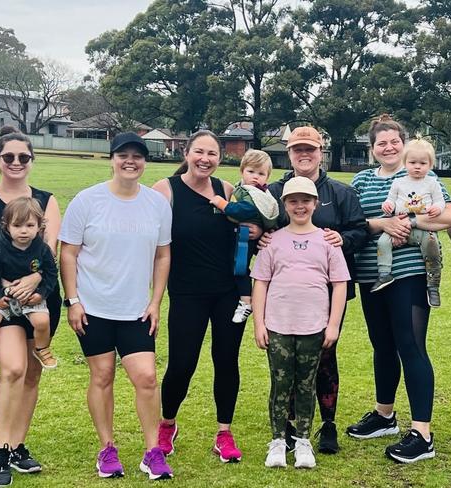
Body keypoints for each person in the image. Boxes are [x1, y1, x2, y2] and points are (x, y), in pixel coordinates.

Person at [59, 132, 174, 480]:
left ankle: (153, 451)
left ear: (144, 162)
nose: (130, 161)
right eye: (123, 155)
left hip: (136, 309)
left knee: (147, 378)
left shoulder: (157, 204)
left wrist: (156, 301)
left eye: (137, 156)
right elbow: (68, 251)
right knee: (103, 375)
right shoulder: (87, 200)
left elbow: (163, 254)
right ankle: (107, 448)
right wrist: (73, 300)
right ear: (112, 159)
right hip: (93, 307)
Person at [347, 114, 451, 464]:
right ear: (372, 148)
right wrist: (381, 223)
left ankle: (422, 433)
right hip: (371, 275)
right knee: (382, 346)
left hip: (409, 274)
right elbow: (352, 221)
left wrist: (408, 222)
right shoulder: (363, 179)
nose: (389, 147)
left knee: (410, 346)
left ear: (405, 143)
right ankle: (384, 416)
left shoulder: (420, 173)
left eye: (394, 140)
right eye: (381, 142)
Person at [265, 126, 368, 454]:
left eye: (310, 149)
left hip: (328, 291)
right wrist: (260, 237)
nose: (304, 154)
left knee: (324, 356)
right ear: (290, 153)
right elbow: (257, 229)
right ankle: (291, 426)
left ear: (321, 151)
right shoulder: (273, 192)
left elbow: (360, 230)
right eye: (297, 149)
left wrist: (343, 239)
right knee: (288, 358)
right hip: (284, 293)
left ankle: (328, 424)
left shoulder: (340, 192)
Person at [0, 126, 62, 487]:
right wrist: (9, 286)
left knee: (32, 372)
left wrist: (36, 281)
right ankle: (1, 449)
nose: (16, 162)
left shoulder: (46, 200)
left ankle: (19, 445)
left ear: (32, 160)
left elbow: (49, 249)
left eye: (24, 157)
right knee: (12, 369)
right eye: (9, 156)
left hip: (38, 295)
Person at [153, 130, 251, 463]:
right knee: (182, 363)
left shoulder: (226, 190)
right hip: (186, 293)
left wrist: (258, 233)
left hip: (227, 293)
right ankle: (167, 423)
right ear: (186, 152)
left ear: (219, 158)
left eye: (212, 153)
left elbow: (248, 228)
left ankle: (224, 432)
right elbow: (149, 240)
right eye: (199, 152)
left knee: (226, 361)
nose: (204, 159)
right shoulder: (165, 190)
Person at [252, 177, 349, 469]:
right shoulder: (273, 241)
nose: (300, 206)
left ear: (315, 204)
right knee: (281, 385)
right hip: (278, 326)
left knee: (306, 385)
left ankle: (304, 441)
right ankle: (279, 441)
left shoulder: (327, 240)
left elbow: (340, 284)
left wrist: (333, 325)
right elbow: (260, 283)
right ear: (285, 205)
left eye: (305, 201)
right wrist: (259, 323)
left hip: (313, 328)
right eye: (293, 201)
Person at [0, 197, 58, 380]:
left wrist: (41, 294)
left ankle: (41, 348)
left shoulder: (43, 250)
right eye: (17, 225)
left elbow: (51, 273)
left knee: (42, 321)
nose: (23, 231)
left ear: (40, 227)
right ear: (7, 226)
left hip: (32, 296)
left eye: (30, 225)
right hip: (3, 295)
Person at [372, 138, 445, 307]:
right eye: (412, 162)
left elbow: (440, 201)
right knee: (383, 242)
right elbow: (390, 201)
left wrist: (437, 208)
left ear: (430, 164)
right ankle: (384, 273)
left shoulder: (432, 182)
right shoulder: (399, 182)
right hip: (398, 225)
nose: (417, 166)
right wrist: (388, 206)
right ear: (405, 163)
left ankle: (433, 283)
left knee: (431, 246)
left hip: (421, 227)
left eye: (422, 163)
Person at [209, 149, 279, 323]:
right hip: (240, 236)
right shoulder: (246, 189)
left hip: (246, 239)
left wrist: (222, 204)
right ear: (242, 171)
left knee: (239, 268)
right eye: (251, 171)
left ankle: (246, 301)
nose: (255, 177)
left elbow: (243, 210)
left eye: (261, 173)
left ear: (267, 177)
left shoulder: (256, 195)